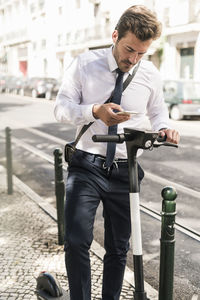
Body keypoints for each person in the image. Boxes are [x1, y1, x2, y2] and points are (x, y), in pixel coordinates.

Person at [54, 5, 180, 300]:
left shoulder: (149, 73)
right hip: (86, 166)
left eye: (141, 53)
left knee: (118, 248)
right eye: (129, 49)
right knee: (75, 241)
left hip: (126, 170)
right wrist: (94, 111)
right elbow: (61, 108)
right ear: (115, 36)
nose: (133, 59)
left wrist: (165, 128)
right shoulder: (84, 64)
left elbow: (159, 112)